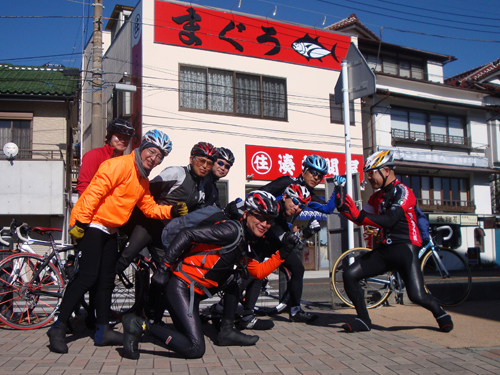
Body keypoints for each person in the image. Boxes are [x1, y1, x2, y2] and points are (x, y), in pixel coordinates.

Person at [47, 130, 188, 354]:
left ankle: (102, 331)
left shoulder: (142, 179)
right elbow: (94, 192)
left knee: (107, 280)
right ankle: (58, 327)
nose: (154, 159)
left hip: (110, 229)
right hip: (92, 224)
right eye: (152, 152)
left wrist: (171, 210)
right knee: (87, 277)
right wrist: (81, 224)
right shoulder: (118, 165)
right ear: (142, 148)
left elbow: (149, 207)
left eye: (160, 157)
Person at [121, 191, 300, 360]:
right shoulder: (231, 230)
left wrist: (283, 252)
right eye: (260, 217)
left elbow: (258, 272)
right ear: (246, 214)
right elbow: (187, 234)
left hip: (195, 291)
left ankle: (226, 331)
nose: (265, 224)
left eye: (269, 221)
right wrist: (163, 269)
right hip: (180, 287)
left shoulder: (245, 241)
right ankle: (140, 325)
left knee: (238, 277)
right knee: (195, 348)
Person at [335, 150, 453, 333]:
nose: (369, 177)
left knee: (417, 295)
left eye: (372, 172)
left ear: (387, 170)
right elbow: (362, 218)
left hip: (405, 248)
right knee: (350, 274)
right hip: (385, 249)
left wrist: (359, 215)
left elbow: (390, 219)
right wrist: (344, 209)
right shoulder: (376, 196)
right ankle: (364, 320)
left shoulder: (404, 192)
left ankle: (441, 313)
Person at [260, 155, 344, 322]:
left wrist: (338, 188)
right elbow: (260, 193)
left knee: (298, 269)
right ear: (304, 169)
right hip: (264, 230)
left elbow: (327, 208)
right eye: (313, 172)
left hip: (280, 236)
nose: (316, 177)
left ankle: (295, 311)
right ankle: (239, 309)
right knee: (253, 271)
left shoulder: (309, 195)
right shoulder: (286, 182)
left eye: (320, 175)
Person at [76, 118, 135, 196]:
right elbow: (84, 185)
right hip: (94, 205)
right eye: (119, 136)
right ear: (110, 137)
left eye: (126, 138)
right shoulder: (94, 155)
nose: (123, 140)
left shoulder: (127, 161)